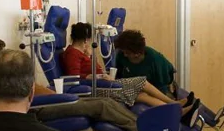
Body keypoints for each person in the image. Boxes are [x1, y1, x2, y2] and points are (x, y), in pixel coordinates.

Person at [0, 35, 143, 131]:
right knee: (101, 105)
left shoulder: (1, 75)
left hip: (49, 100)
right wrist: (53, 95)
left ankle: (141, 127)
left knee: (103, 102)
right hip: (42, 107)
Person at [60, 23, 198, 114]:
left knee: (142, 95)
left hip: (104, 84)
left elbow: (92, 70)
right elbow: (74, 78)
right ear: (86, 39)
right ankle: (174, 105)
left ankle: (175, 108)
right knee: (142, 82)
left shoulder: (81, 53)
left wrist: (90, 57)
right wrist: (99, 77)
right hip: (97, 89)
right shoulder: (72, 53)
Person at [115, 29, 224, 128]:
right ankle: (208, 118)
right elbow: (118, 76)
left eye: (128, 53)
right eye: (124, 52)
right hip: (136, 90)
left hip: (161, 87)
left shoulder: (154, 59)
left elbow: (164, 82)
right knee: (184, 101)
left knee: (188, 99)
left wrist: (163, 96)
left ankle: (213, 119)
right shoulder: (121, 57)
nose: (125, 55)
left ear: (137, 53)